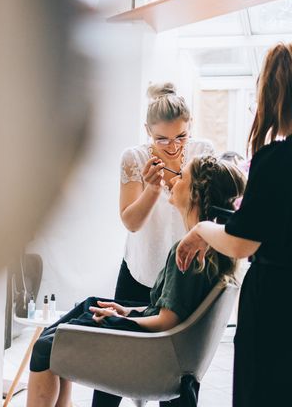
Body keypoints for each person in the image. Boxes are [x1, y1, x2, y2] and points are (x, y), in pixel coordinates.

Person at [26, 155, 245, 407]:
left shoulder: (187, 253)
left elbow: (167, 320)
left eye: (182, 176)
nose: (174, 180)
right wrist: (126, 310)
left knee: (46, 348)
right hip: (161, 347)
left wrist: (123, 319)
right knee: (88, 307)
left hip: (151, 352)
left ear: (196, 194)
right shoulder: (214, 253)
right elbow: (172, 311)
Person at [176, 43, 292, 407]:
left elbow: (243, 243)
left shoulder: (275, 160)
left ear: (271, 94)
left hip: (276, 303)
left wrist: (200, 231)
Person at [91, 83, 214, 406]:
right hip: (139, 270)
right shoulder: (133, 157)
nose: (172, 147)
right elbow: (131, 222)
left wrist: (179, 184)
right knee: (113, 362)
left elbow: (204, 223)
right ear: (147, 131)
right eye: (161, 139)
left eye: (181, 136)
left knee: (176, 370)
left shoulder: (204, 153)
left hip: (185, 278)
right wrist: (152, 188)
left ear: (191, 126)